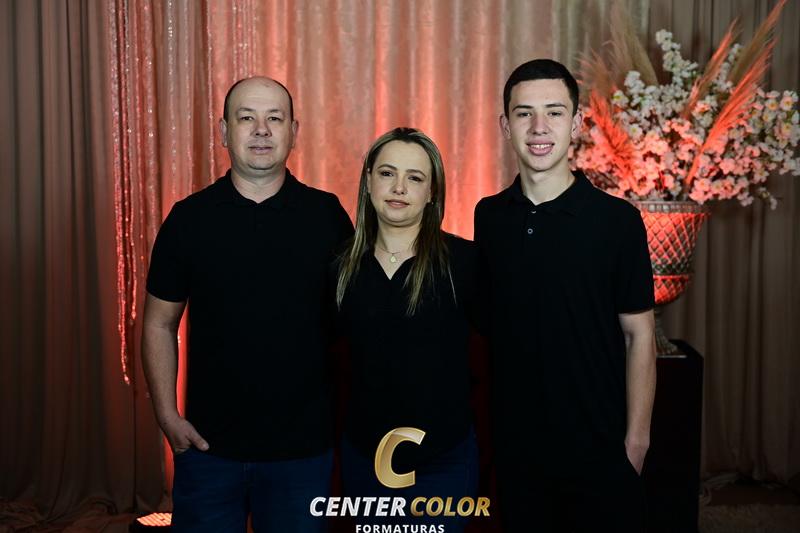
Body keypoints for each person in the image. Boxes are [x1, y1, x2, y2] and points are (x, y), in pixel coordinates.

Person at [142, 76, 353, 532]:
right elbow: (159, 323)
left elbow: (355, 324)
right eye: (246, 118)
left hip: (303, 453)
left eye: (274, 118)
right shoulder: (189, 219)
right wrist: (167, 416)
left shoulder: (327, 216)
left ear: (294, 131)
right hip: (208, 450)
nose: (261, 129)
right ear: (223, 132)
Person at [473, 59, 656, 532]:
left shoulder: (617, 221)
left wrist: (636, 442)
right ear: (505, 125)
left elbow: (639, 335)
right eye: (524, 113)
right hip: (517, 451)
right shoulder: (489, 216)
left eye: (554, 112)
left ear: (575, 123)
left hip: (599, 448)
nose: (539, 127)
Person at [333, 128, 478, 530]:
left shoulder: (465, 264)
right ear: (368, 181)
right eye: (387, 173)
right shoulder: (340, 268)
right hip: (366, 460)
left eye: (414, 177)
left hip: (444, 462)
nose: (399, 188)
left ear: (432, 192)